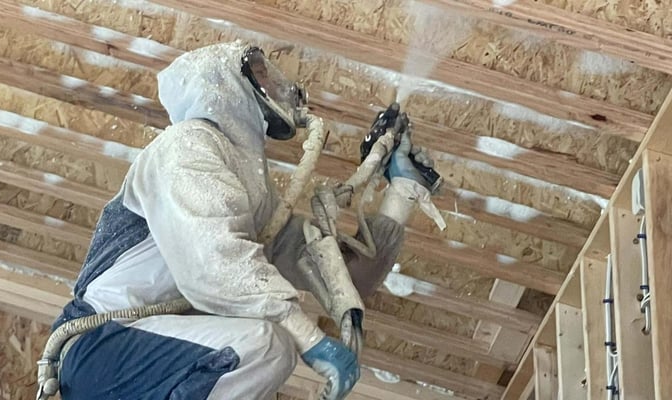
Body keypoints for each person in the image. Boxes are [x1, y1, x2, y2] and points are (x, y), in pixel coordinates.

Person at [51, 41, 437, 400]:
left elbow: (342, 278)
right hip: (101, 347)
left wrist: (402, 193)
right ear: (221, 81)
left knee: (267, 343)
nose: (279, 85)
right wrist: (309, 338)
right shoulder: (185, 147)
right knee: (267, 345)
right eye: (261, 71)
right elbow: (213, 263)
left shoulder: (253, 197)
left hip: (138, 361)